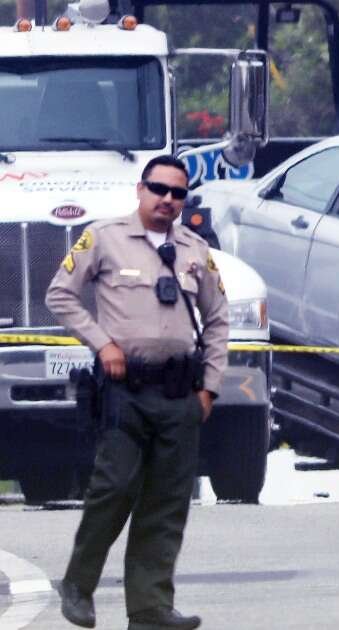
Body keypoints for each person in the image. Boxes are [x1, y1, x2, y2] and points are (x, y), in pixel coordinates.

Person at [49, 155, 229, 630]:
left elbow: (218, 319)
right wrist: (102, 342)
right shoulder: (104, 237)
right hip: (125, 390)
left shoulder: (195, 249)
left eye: (177, 193)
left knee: (167, 502)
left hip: (180, 392)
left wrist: (210, 388)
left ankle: (150, 608)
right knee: (114, 488)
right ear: (140, 189)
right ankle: (78, 585)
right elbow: (60, 295)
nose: (168, 199)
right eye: (159, 189)